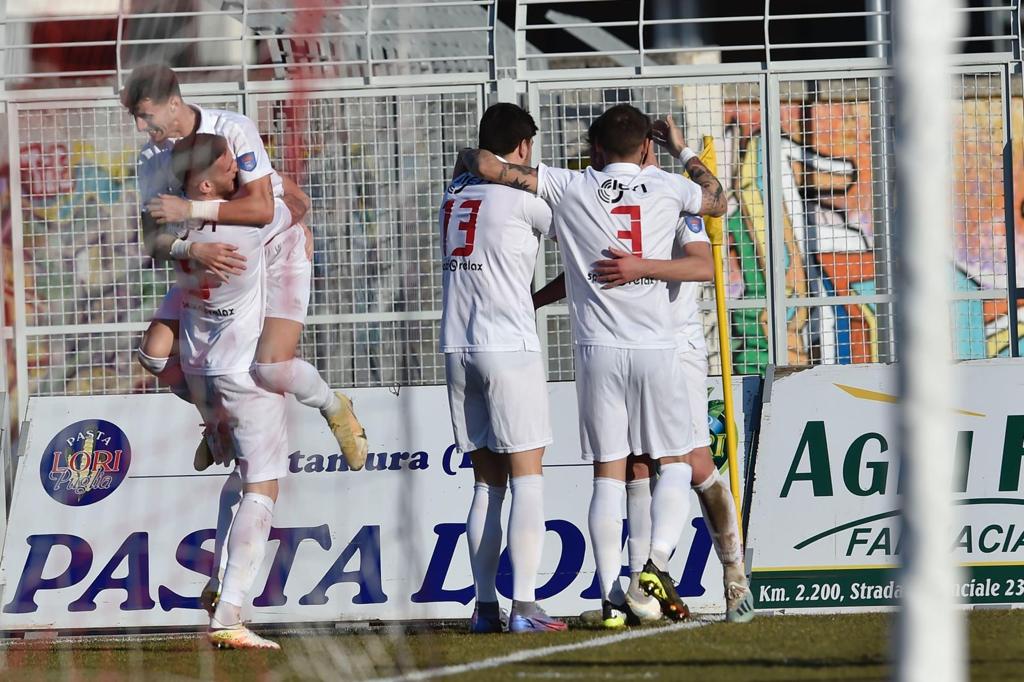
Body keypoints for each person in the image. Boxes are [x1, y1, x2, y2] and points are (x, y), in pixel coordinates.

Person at [457, 104, 727, 627]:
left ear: (597, 150)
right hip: (656, 347)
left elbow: (489, 167)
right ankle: (654, 562)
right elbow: (718, 200)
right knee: (674, 462)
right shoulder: (670, 188)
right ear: (647, 148)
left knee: (608, 474)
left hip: (596, 351)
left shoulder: (570, 185)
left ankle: (610, 600)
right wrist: (682, 150)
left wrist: (468, 158)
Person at [536, 117, 755, 625]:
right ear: (644, 150)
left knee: (693, 463)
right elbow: (586, 272)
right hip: (635, 342)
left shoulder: (674, 199)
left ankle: (733, 577)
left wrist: (679, 155)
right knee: (634, 464)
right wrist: (537, 300)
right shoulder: (652, 190)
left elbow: (703, 264)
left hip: (675, 348)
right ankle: (640, 588)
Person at [120, 64, 367, 471]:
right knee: (154, 355)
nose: (141, 125)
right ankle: (218, 423)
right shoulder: (151, 159)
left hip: (273, 253)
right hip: (210, 262)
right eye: (136, 117)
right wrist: (188, 249)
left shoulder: (232, 129)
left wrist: (193, 209)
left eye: (146, 115)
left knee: (270, 367)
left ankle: (333, 405)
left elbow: (266, 206)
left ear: (174, 105)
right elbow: (153, 238)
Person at [163, 133, 295, 649]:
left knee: (241, 479)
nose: (239, 175)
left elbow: (153, 237)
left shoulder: (178, 224)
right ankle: (230, 615)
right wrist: (271, 179)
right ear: (204, 182)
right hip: (243, 372)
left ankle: (219, 586)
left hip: (199, 370)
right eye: (228, 169)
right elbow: (290, 207)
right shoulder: (250, 227)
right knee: (264, 485)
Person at [441, 103, 566, 633]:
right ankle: (526, 606)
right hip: (506, 345)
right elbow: (583, 238)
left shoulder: (452, 196)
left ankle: (485, 608)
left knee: (485, 485)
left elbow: (463, 166)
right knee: (528, 478)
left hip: (457, 346)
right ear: (521, 148)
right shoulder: (520, 199)